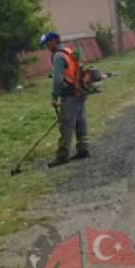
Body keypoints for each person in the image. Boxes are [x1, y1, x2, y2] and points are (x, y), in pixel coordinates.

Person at [41, 31, 89, 167]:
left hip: (69, 94)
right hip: (80, 91)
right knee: (81, 122)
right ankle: (83, 149)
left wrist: (55, 96)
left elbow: (57, 79)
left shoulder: (58, 56)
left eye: (47, 43)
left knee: (66, 125)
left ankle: (63, 155)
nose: (46, 46)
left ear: (54, 41)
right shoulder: (69, 51)